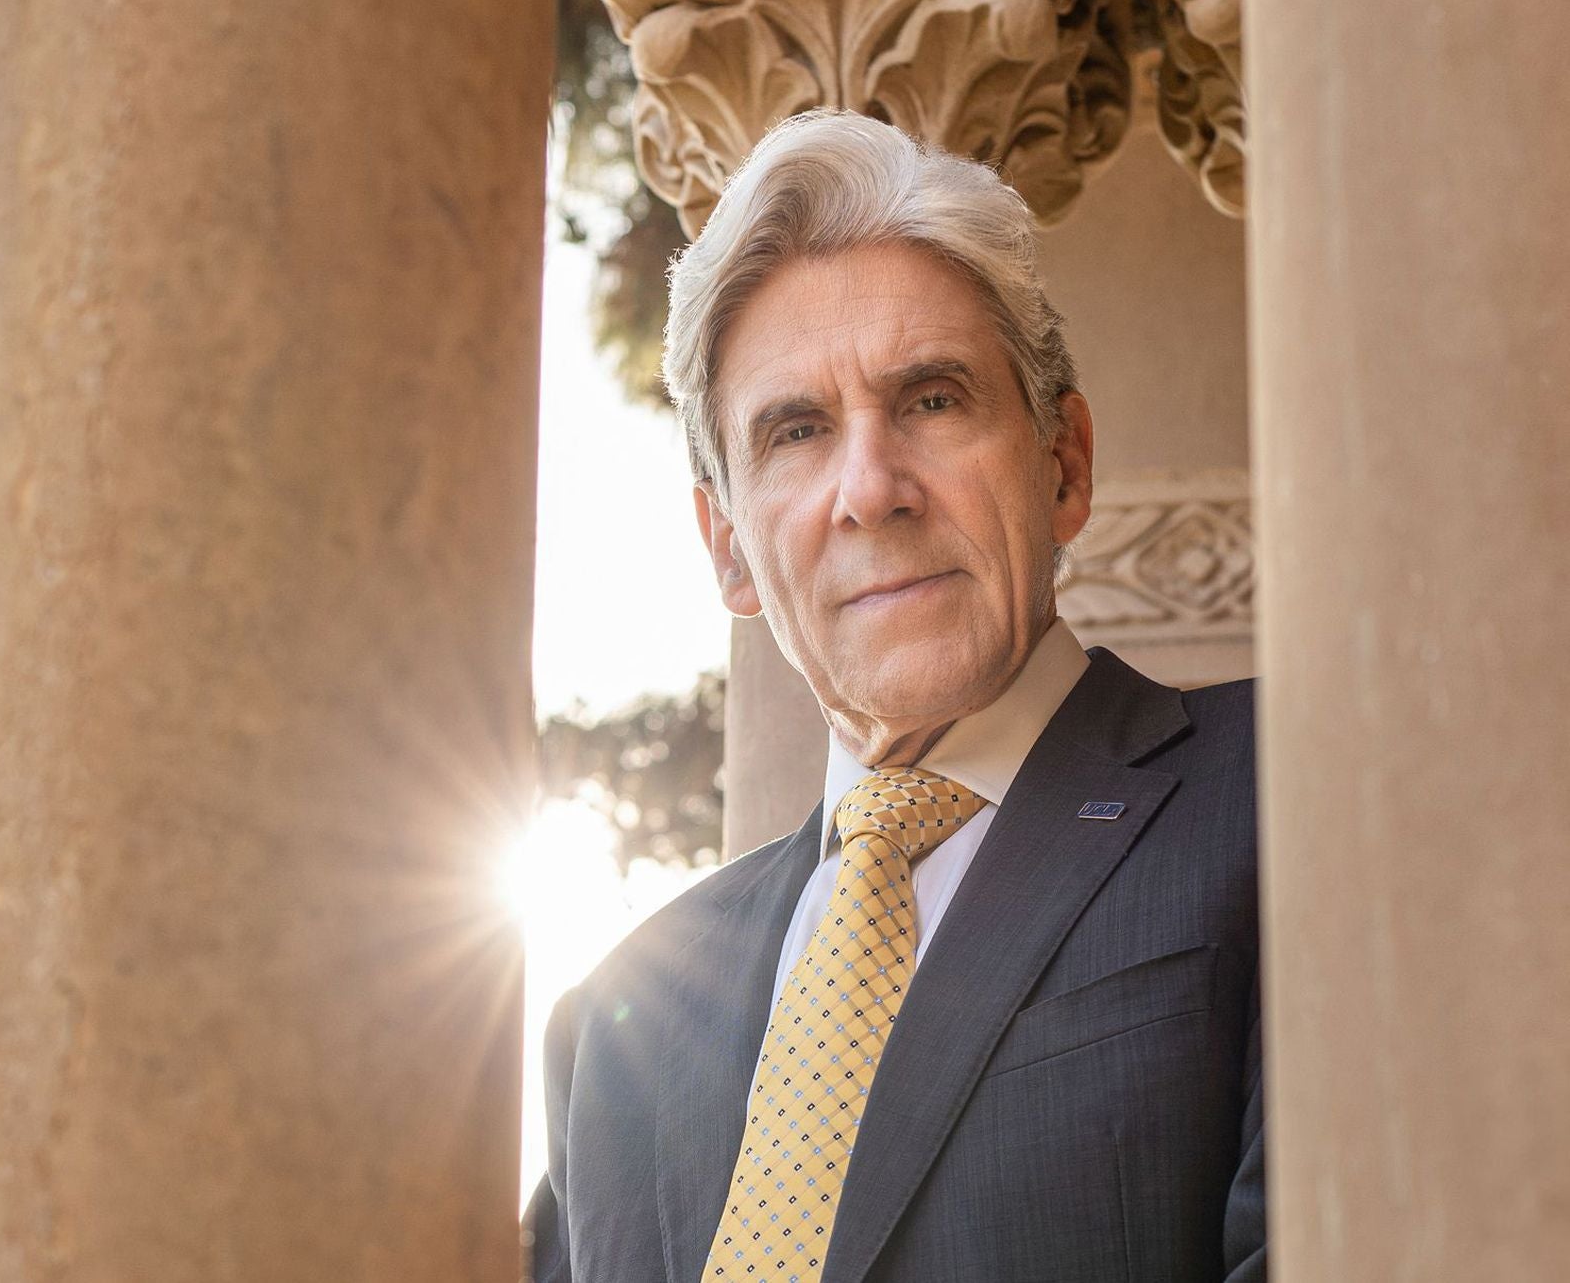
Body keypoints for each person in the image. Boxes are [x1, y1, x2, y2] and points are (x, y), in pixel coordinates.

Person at [521, 108, 1265, 1283]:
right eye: (797, 431)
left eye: (931, 398)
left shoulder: (1284, 791)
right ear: (728, 550)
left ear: (1064, 462)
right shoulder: (613, 1030)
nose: (870, 489)